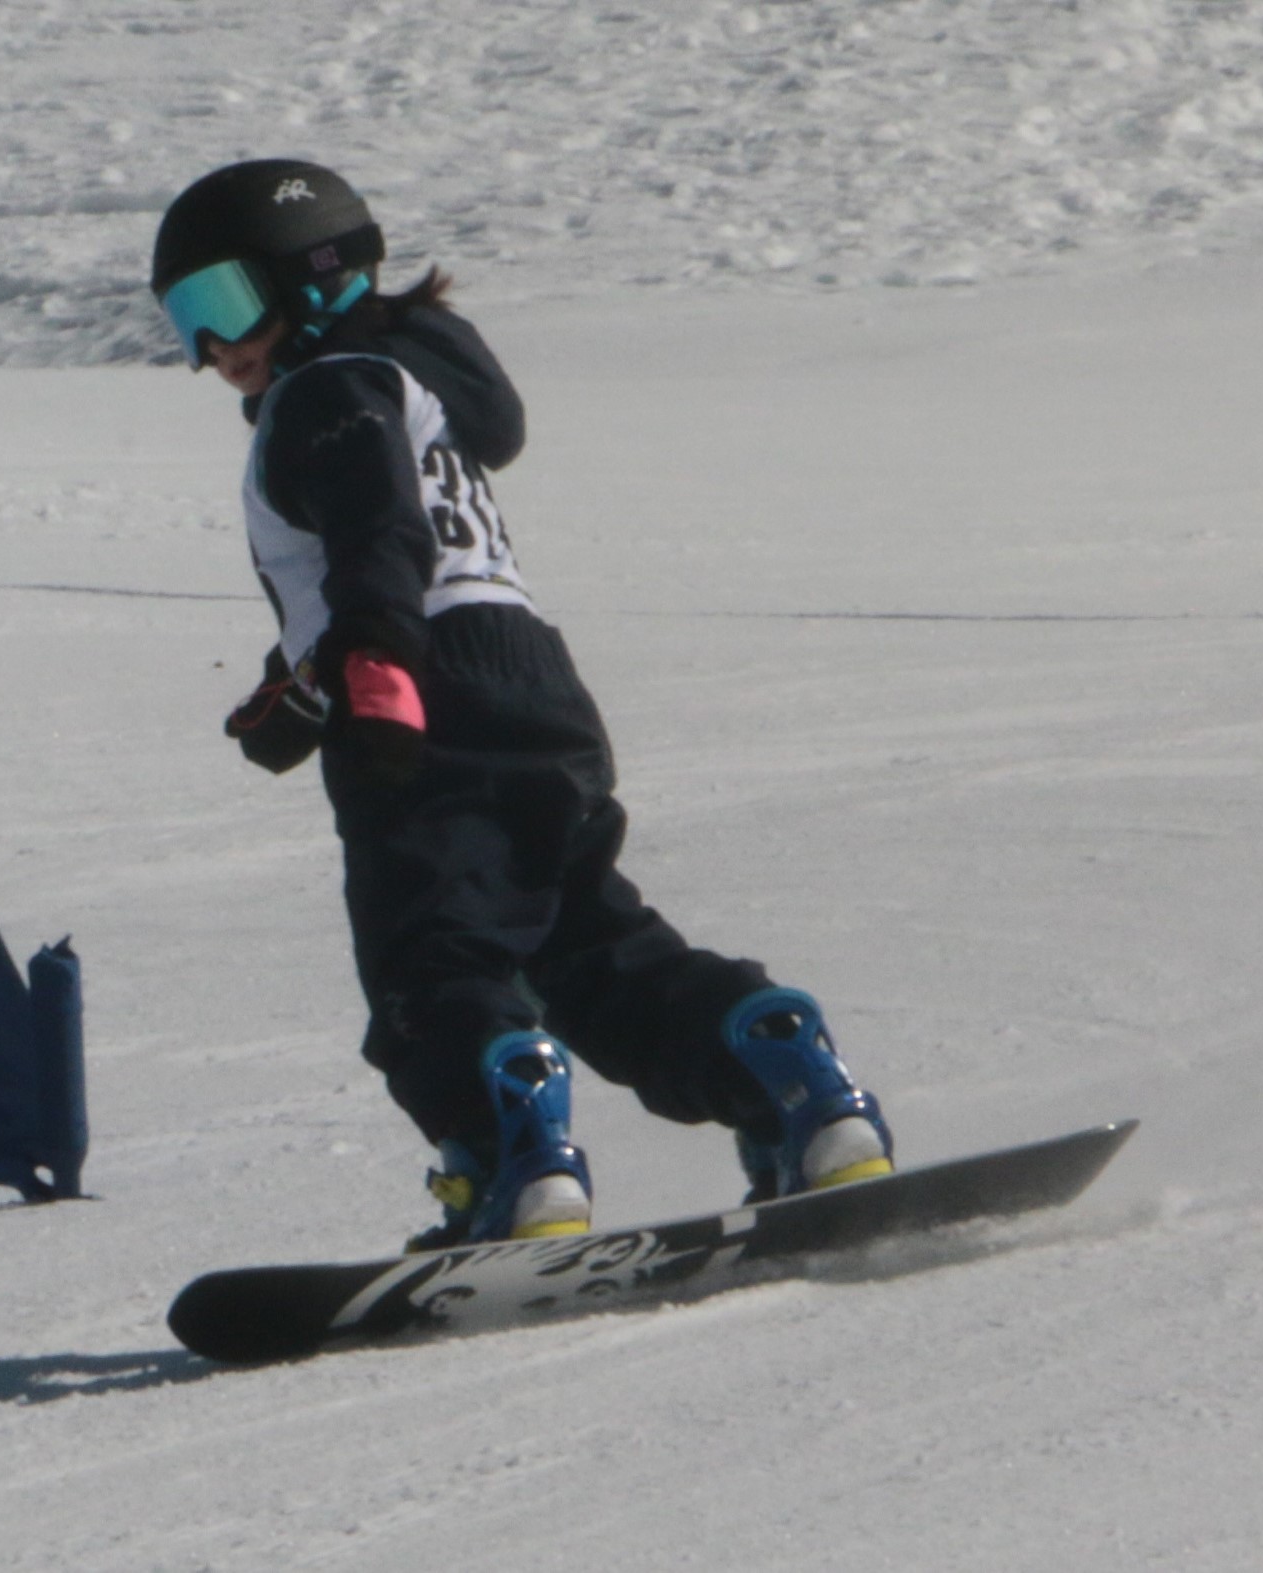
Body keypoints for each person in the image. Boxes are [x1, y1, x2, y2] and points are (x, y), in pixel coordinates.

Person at [151, 159, 894, 1250]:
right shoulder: (410, 386)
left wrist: (372, 666)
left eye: (223, 301)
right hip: (530, 681)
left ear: (311, 275)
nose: (215, 349)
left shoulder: (326, 392)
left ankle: (511, 1167)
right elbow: (402, 549)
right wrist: (299, 679)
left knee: (430, 959)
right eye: (187, 320)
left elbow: (377, 536)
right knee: (587, 945)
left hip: (422, 694)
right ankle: (787, 1078)